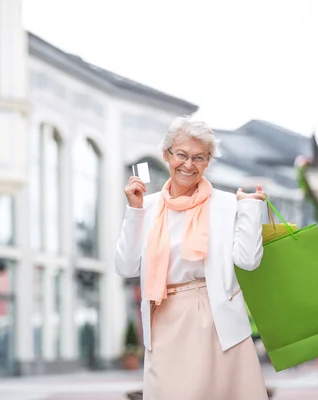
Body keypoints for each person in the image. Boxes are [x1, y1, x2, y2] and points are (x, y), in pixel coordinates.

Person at [114, 116, 269, 400]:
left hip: (214, 318)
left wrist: (249, 209)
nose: (189, 164)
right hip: (163, 318)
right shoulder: (146, 206)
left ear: (208, 161)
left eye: (199, 157)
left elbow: (248, 261)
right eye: (182, 155)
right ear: (166, 155)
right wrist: (134, 212)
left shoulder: (225, 204)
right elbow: (125, 266)